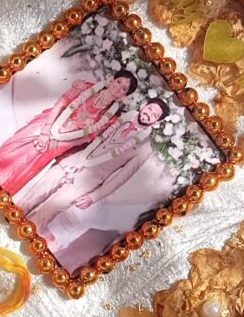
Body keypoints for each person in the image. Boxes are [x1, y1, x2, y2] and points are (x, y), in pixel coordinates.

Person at [24, 97, 169, 244]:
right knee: (33, 195)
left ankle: (22, 236)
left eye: (155, 115)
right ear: (144, 105)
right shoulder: (120, 117)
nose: (149, 114)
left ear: (156, 122)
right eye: (150, 108)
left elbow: (122, 177)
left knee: (46, 212)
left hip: (86, 183)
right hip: (71, 164)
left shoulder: (145, 148)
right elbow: (89, 134)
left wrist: (94, 197)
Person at [0, 72, 138, 196]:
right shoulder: (86, 87)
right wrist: (45, 131)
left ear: (124, 96)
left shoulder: (111, 117)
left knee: (26, 168)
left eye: (124, 88)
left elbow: (87, 138)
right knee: (11, 153)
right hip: (45, 125)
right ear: (112, 80)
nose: (119, 88)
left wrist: (59, 143)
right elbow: (61, 104)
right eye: (119, 82)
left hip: (60, 145)